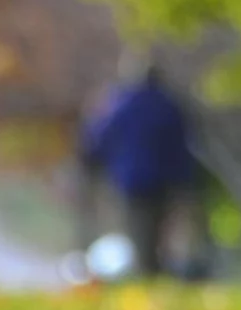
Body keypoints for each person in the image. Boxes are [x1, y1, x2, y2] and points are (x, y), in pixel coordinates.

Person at [79, 55, 198, 279]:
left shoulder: (120, 105)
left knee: (137, 226)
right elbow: (183, 143)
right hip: (164, 177)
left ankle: (146, 271)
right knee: (159, 227)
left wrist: (94, 163)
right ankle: (154, 270)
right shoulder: (168, 104)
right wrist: (185, 177)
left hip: (130, 177)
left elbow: (99, 137)